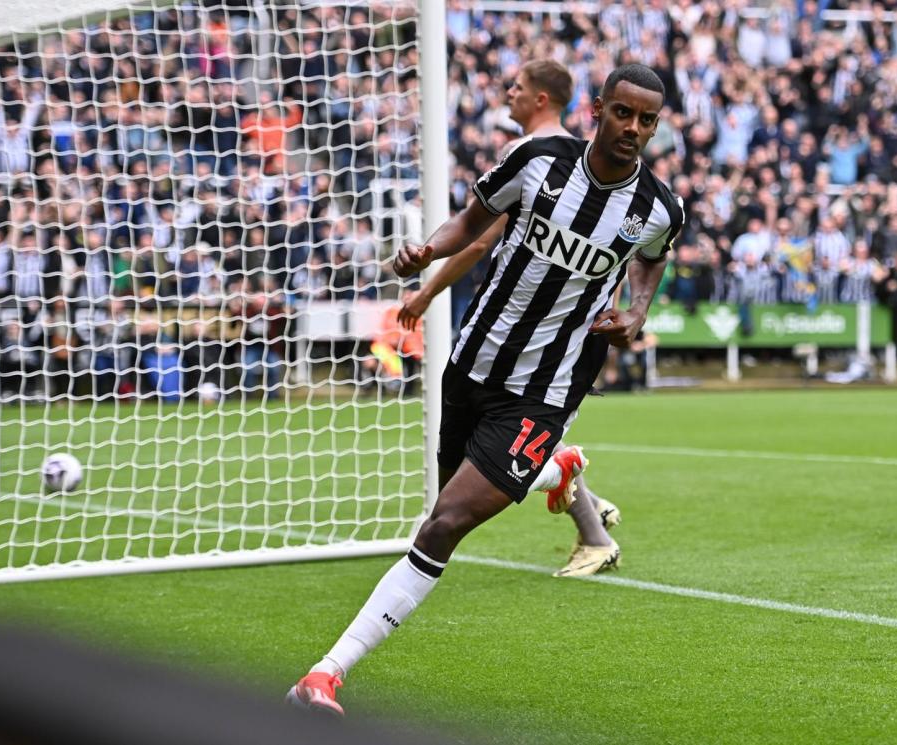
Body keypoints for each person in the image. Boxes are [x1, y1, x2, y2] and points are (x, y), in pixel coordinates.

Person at [289, 63, 684, 716]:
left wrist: (637, 311)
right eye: (623, 113)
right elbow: (472, 223)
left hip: (544, 390)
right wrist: (426, 253)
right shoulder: (536, 161)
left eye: (647, 120)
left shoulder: (658, 207)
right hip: (472, 365)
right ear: (597, 109)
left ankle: (326, 673)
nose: (634, 129)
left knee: (444, 524)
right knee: (447, 497)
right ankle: (556, 465)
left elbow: (654, 257)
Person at [397, 59, 623, 578]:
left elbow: (480, 238)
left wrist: (428, 289)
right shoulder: (564, 157)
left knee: (522, 430)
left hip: (548, 331)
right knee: (522, 428)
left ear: (542, 98)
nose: (508, 92)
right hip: (550, 328)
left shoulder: (538, 158)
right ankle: (591, 528)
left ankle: (591, 530)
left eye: (517, 86)